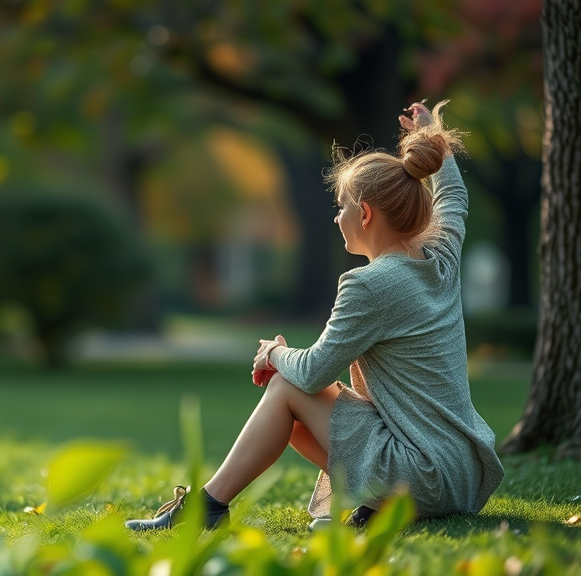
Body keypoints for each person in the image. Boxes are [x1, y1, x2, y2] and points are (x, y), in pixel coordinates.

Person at [125, 101, 505, 532]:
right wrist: (433, 138)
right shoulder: (442, 256)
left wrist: (273, 353)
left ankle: (206, 508)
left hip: (424, 477)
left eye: (342, 206)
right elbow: (454, 197)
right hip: (463, 474)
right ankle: (377, 506)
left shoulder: (369, 284)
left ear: (365, 213)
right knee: (296, 395)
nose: (337, 216)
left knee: (286, 384)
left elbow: (310, 374)